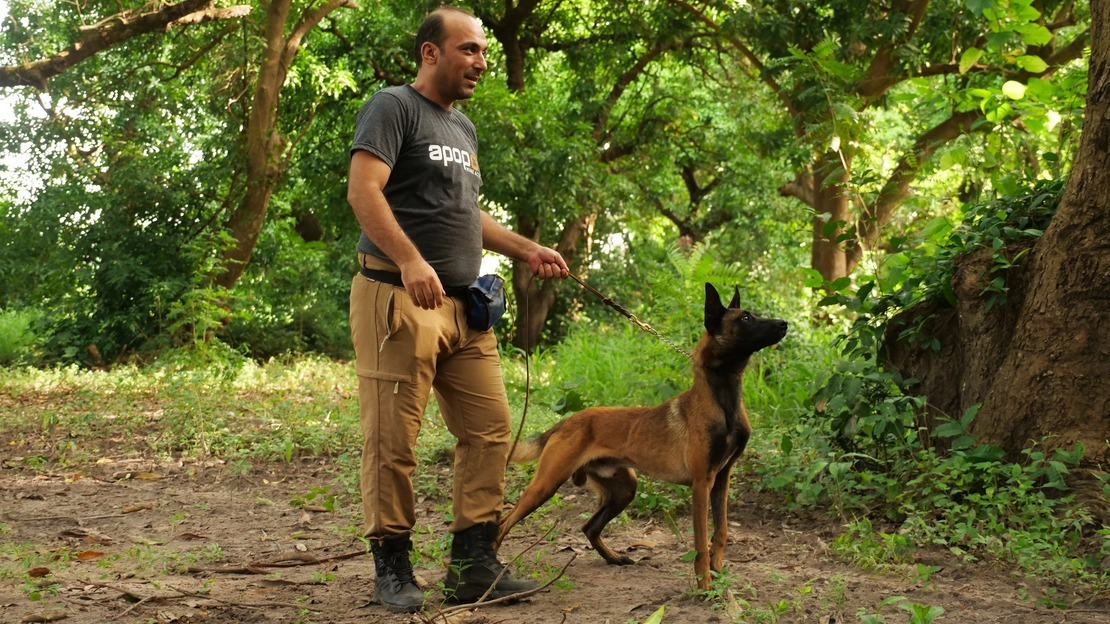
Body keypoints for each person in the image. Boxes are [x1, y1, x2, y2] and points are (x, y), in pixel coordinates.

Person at [346, 5, 569, 612]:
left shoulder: (463, 129)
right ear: (430, 52)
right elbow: (363, 192)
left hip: (464, 308)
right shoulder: (393, 107)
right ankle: (392, 567)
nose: (480, 61)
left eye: (484, 52)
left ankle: (473, 562)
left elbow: (467, 215)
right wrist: (413, 261)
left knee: (491, 430)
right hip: (397, 298)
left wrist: (526, 249)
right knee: (393, 439)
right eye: (468, 49)